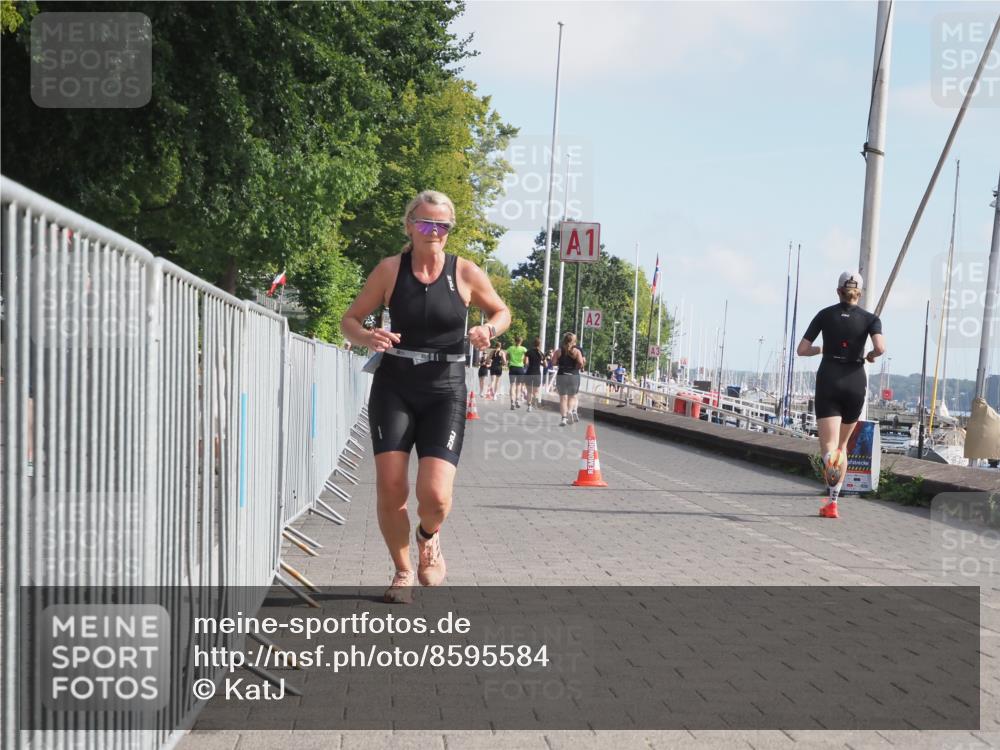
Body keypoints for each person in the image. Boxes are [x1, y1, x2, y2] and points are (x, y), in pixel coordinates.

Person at [340, 190, 510, 602]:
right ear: (409, 226)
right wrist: (368, 336)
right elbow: (349, 320)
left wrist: (488, 331)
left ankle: (428, 536)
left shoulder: (465, 272)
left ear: (449, 232)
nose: (433, 232)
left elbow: (501, 312)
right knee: (392, 488)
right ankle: (402, 572)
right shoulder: (388, 271)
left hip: (445, 390)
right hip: (395, 386)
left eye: (442, 226)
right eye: (425, 224)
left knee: (435, 497)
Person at [796, 271, 885, 519]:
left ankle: (828, 460)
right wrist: (871, 356)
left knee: (829, 447)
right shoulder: (871, 319)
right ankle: (833, 503)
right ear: (860, 293)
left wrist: (823, 347)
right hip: (856, 380)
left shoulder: (825, 314)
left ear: (838, 291)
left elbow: (802, 350)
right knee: (843, 446)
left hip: (830, 378)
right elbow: (880, 347)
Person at [552, 332, 586, 426]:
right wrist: (576, 367)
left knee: (563, 398)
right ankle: (570, 411)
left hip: (562, 375)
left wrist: (560, 363)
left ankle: (563, 418)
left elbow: (553, 362)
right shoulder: (577, 351)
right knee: (572, 396)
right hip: (573, 375)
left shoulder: (559, 351)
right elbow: (580, 363)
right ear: (574, 341)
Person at [523, 337, 545, 412]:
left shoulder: (528, 352)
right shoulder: (541, 353)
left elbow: (525, 363)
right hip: (537, 374)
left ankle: (529, 406)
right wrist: (540, 363)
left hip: (529, 372)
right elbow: (545, 365)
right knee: (536, 391)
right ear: (540, 344)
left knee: (529, 391)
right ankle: (534, 403)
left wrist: (530, 364)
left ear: (533, 343)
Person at [505, 335, 527, 410]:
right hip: (520, 367)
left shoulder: (510, 348)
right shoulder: (524, 349)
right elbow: (526, 357)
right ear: (521, 342)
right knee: (519, 385)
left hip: (512, 367)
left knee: (512, 385)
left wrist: (509, 361)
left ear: (515, 341)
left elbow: (506, 356)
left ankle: (512, 402)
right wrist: (524, 361)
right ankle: (517, 400)